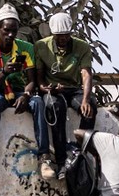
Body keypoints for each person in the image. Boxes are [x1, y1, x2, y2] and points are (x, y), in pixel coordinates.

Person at [0, 4, 45, 182]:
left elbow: (32, 81)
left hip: (20, 91)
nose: (10, 35)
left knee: (38, 102)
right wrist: (4, 72)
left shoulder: (26, 47)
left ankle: (44, 157)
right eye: (6, 31)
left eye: (14, 31)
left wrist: (26, 95)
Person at [35, 12, 95, 176]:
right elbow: (39, 80)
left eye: (66, 35)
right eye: (59, 36)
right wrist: (48, 88)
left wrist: (86, 100)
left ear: (71, 33)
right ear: (53, 34)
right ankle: (61, 161)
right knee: (55, 108)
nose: (63, 39)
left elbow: (86, 74)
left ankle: (80, 151)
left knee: (90, 109)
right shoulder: (41, 46)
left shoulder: (82, 46)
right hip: (52, 89)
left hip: (74, 88)